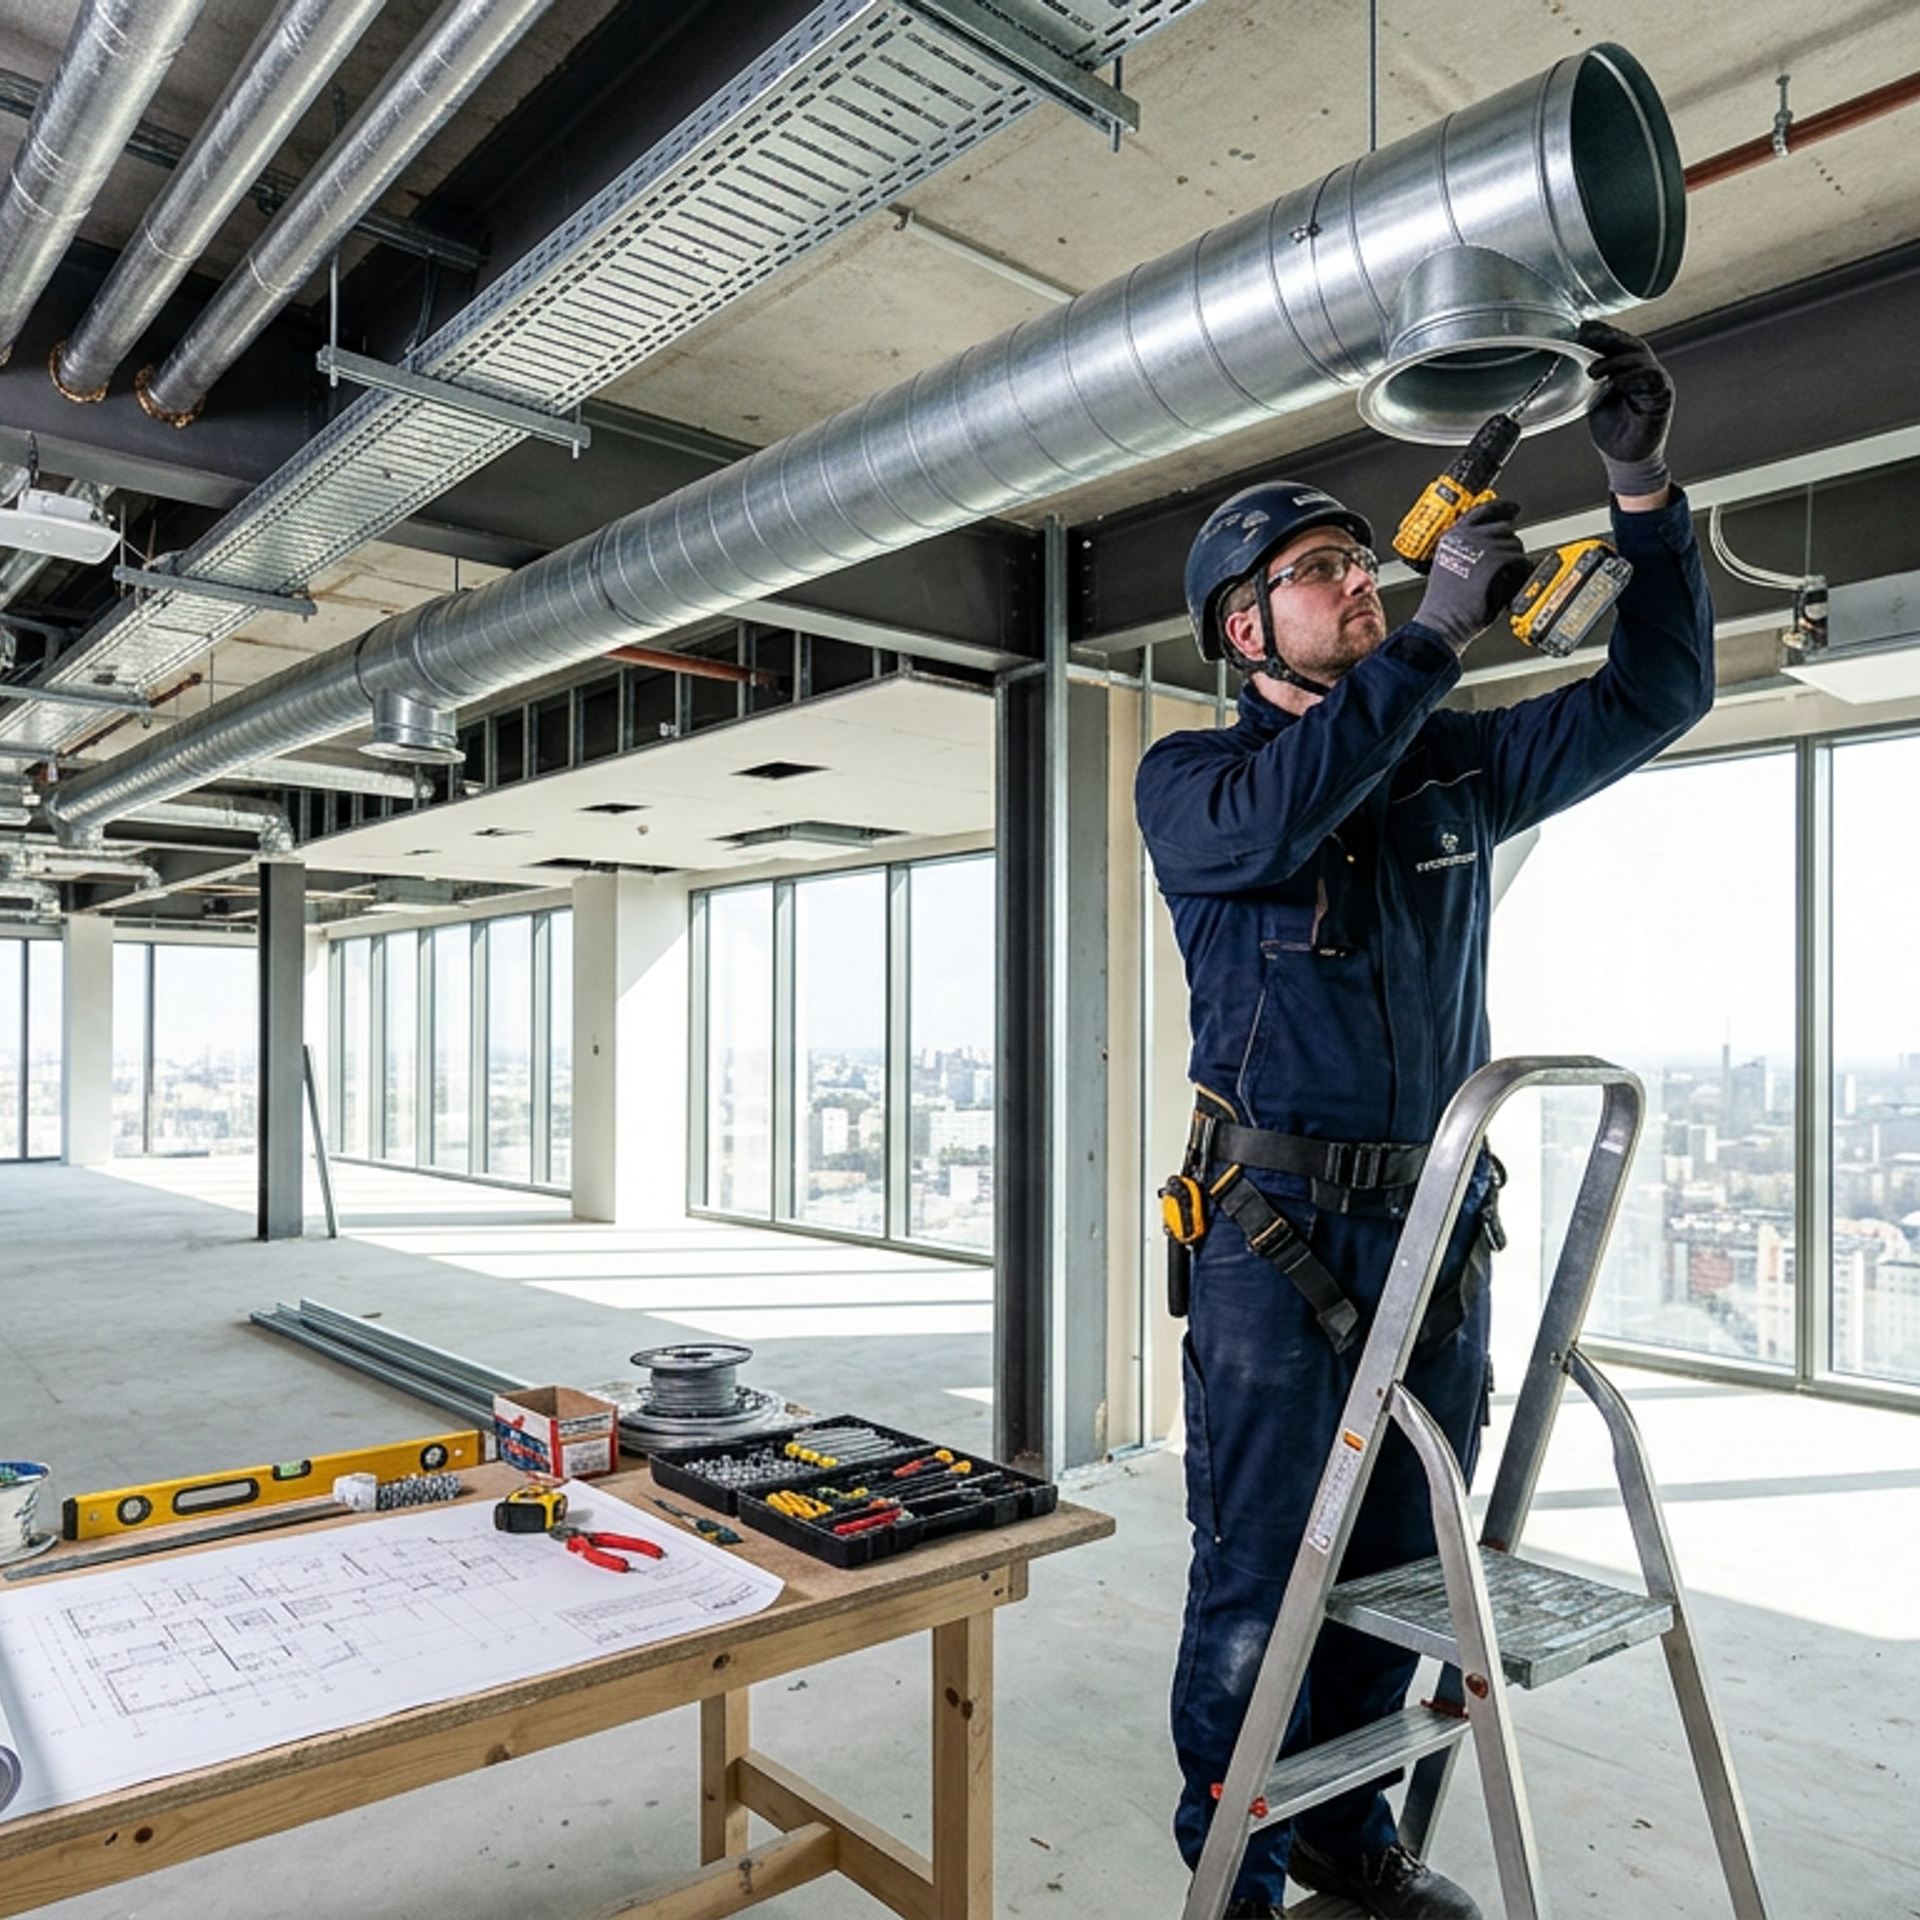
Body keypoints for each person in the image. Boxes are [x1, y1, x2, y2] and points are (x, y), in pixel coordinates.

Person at [1133, 321, 1713, 1920]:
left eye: (1359, 563)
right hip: (1274, 1240)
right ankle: (1238, 1873)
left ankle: (1348, 1828)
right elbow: (1284, 815)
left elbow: (1659, 691)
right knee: (1263, 1569)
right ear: (1242, 625)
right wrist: (1439, 639)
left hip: (1437, 1229)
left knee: (1400, 1566)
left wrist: (1642, 491)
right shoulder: (1193, 783)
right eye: (1320, 572)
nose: (1361, 585)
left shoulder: (1448, 771)